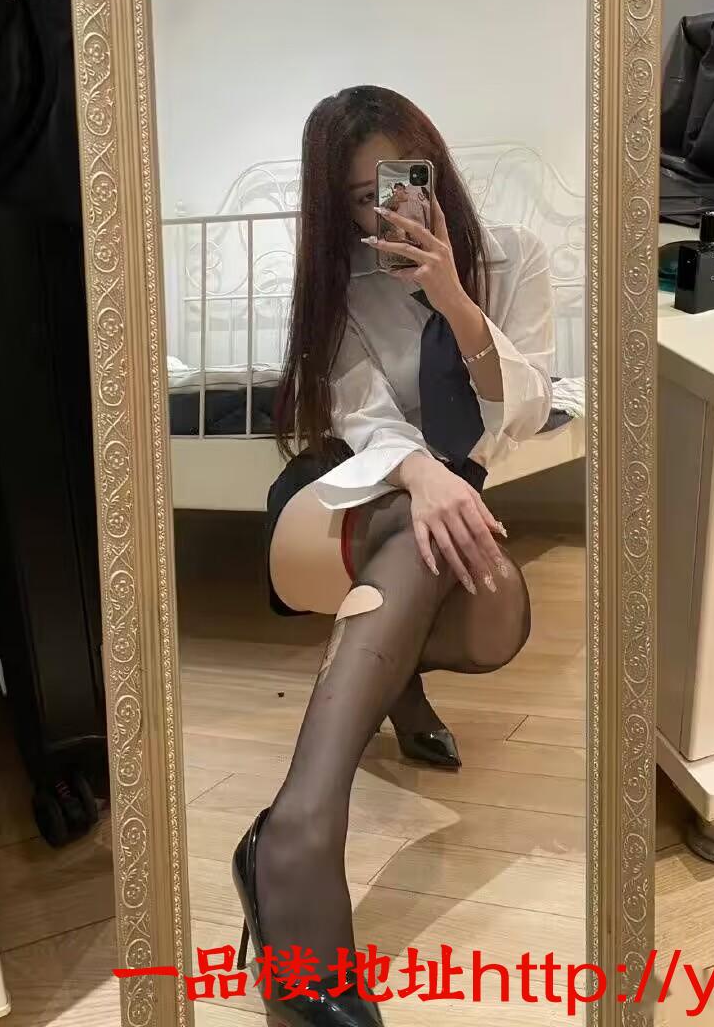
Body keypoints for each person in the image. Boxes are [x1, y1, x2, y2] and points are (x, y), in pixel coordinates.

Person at [232, 85, 555, 1024]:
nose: (386, 211)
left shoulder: (518, 256)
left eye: (402, 181)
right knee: (428, 533)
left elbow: (525, 409)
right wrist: (423, 477)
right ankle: (297, 838)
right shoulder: (338, 285)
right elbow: (361, 419)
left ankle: (387, 693)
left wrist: (451, 295)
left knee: (497, 616)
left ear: (435, 168)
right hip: (339, 493)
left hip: (440, 502)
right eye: (358, 198)